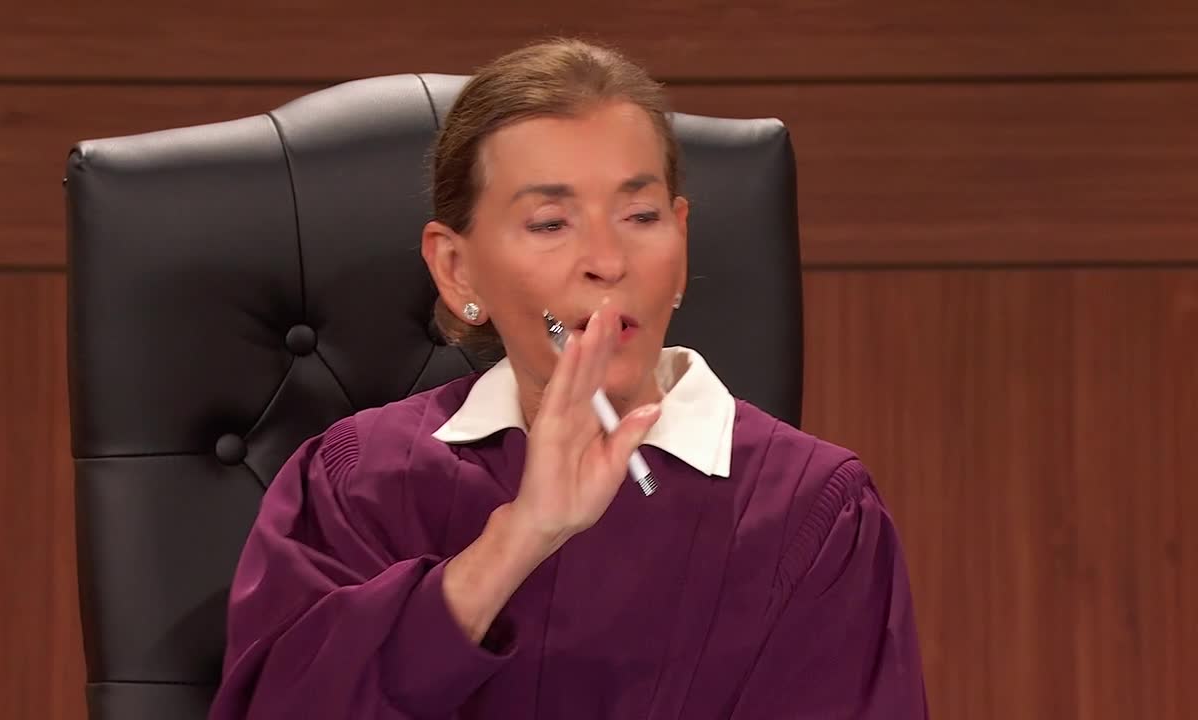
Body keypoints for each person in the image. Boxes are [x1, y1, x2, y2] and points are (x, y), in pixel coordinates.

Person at [208, 38, 927, 719]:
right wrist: (520, 537)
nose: (608, 262)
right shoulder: (354, 482)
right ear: (458, 270)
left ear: (680, 246)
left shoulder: (817, 511)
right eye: (551, 223)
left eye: (640, 215)